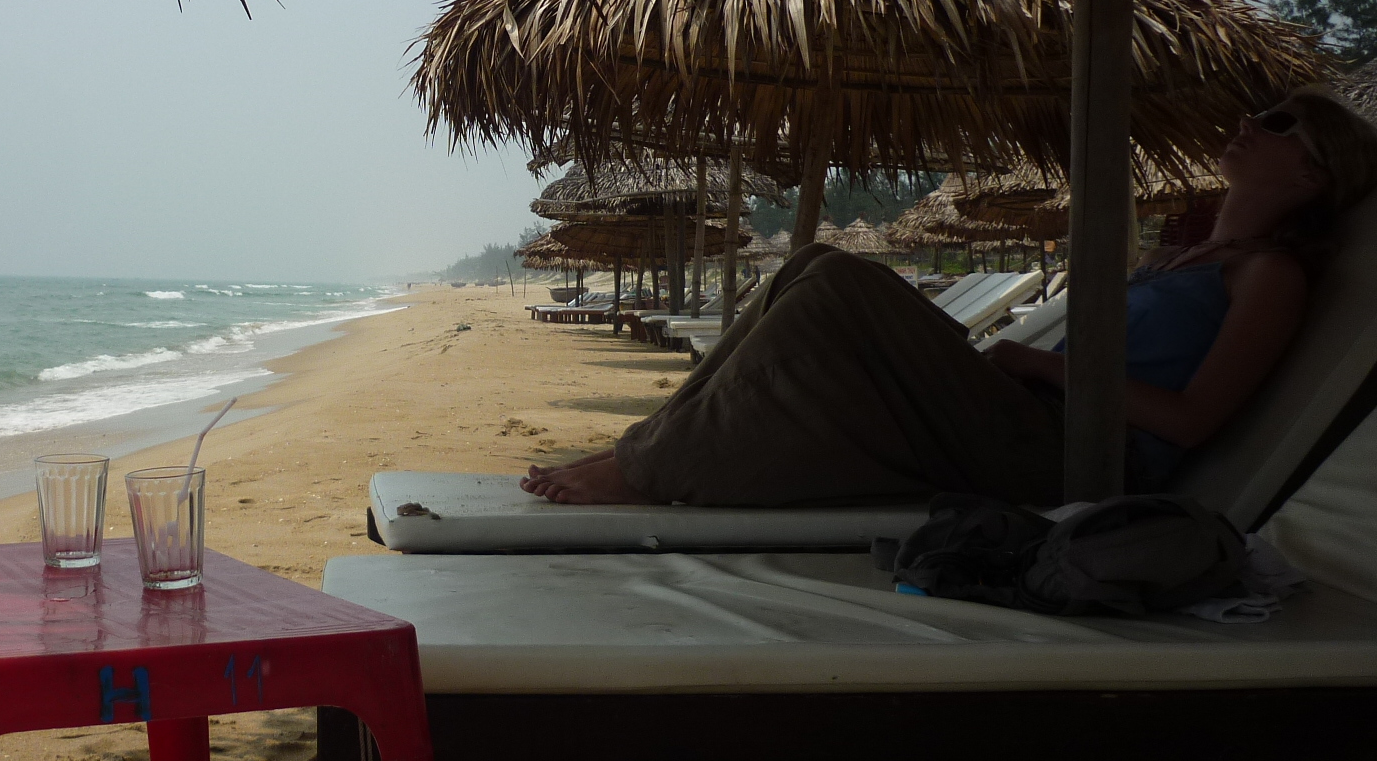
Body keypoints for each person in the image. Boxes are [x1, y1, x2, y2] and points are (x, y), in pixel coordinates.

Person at [522, 90, 1377, 507]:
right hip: (1021, 413)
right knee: (805, 271)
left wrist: (1032, 360)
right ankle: (643, 455)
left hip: (1069, 454)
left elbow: (1193, 421)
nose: (1248, 124)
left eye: (1277, 124)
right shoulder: (1196, 255)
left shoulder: (1270, 275)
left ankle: (642, 467)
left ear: (1313, 171)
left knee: (830, 278)